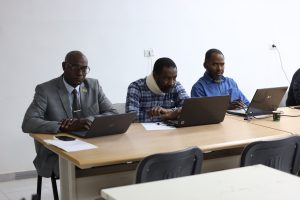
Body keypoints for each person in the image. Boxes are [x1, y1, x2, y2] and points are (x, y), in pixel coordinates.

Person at [22, 51, 118, 178]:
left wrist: (87, 120)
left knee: (117, 163)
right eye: (75, 68)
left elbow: (113, 113)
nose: (80, 73)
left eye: (84, 69)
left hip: (92, 147)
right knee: (79, 170)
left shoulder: (93, 86)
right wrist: (62, 126)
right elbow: (28, 122)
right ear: (64, 66)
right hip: (57, 153)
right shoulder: (45, 90)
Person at [126, 57, 189, 122]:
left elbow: (190, 107)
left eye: (174, 78)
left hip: (171, 131)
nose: (172, 82)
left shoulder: (175, 85)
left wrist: (168, 111)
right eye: (167, 78)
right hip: (144, 132)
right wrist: (167, 116)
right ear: (155, 75)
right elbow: (131, 119)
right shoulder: (136, 87)